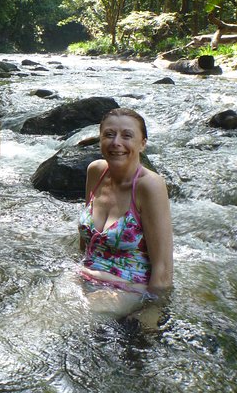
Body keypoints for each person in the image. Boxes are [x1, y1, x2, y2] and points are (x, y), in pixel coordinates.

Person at [78, 108, 173, 318]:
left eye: (127, 135)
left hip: (127, 288)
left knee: (73, 318)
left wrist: (152, 314)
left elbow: (163, 269)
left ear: (142, 143)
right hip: (85, 276)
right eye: (109, 134)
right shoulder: (96, 171)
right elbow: (86, 243)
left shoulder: (150, 186)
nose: (116, 143)